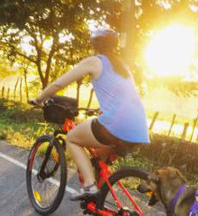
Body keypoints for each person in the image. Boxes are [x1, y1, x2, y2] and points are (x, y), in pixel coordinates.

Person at [30, 28, 150, 200]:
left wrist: (39, 98)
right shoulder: (122, 66)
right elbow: (122, 95)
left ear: (94, 44)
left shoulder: (94, 61)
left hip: (115, 126)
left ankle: (89, 186)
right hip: (139, 129)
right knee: (99, 162)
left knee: (72, 138)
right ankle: (98, 198)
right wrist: (104, 109)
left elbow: (58, 84)